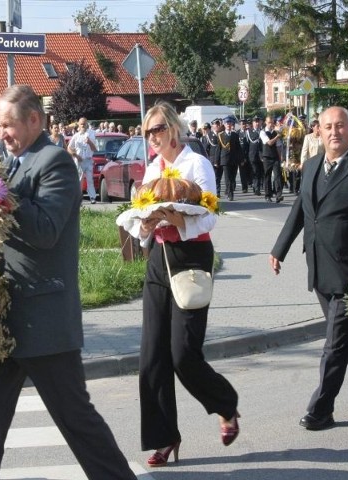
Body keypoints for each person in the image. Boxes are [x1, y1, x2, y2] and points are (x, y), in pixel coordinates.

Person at [0, 85, 136, 480]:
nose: (1, 133)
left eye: (8, 124)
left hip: (44, 322)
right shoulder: (11, 163)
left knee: (76, 421)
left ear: (34, 119)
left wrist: (2, 197)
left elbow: (46, 231)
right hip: (2, 319)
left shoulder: (54, 161)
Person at [270, 106, 348, 431]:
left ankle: (321, 410)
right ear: (319, 130)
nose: (334, 132)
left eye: (340, 126)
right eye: (327, 126)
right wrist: (279, 249)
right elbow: (301, 209)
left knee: (335, 344)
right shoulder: (312, 165)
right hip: (319, 266)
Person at [134, 102, 239, 468]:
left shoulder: (197, 165)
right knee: (152, 356)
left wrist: (178, 220)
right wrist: (145, 227)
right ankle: (164, 438)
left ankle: (225, 404)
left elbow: (210, 214)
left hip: (191, 258)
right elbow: (140, 216)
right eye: (147, 132)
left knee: (183, 354)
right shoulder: (151, 169)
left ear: (174, 128)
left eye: (158, 129)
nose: (153, 137)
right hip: (158, 262)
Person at [68, 117, 98, 204]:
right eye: (81, 124)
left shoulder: (91, 134)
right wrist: (76, 155)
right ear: (79, 125)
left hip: (88, 160)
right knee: (79, 180)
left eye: (84, 124)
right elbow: (69, 148)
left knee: (90, 179)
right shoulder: (76, 136)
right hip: (79, 160)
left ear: (87, 124)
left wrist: (89, 142)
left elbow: (95, 149)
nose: (83, 125)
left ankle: (92, 197)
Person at [260, 115, 284, 203]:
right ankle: (267, 195)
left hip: (275, 157)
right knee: (267, 176)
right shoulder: (262, 132)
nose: (271, 124)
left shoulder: (275, 132)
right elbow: (269, 143)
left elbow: (278, 146)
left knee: (278, 175)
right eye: (269, 122)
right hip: (267, 157)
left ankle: (278, 195)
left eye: (272, 122)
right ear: (266, 123)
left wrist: (280, 157)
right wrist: (277, 136)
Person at [218, 116, 242, 200]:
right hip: (225, 159)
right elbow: (219, 149)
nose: (228, 124)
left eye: (230, 123)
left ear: (232, 124)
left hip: (234, 160)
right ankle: (230, 193)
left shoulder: (235, 135)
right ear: (224, 124)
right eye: (227, 123)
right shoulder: (220, 135)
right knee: (227, 177)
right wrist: (217, 161)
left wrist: (241, 159)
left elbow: (238, 148)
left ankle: (229, 190)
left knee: (233, 177)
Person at [246, 116, 264, 195]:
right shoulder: (249, 132)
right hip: (252, 155)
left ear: (260, 122)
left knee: (260, 172)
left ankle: (257, 186)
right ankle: (256, 188)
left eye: (258, 121)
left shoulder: (263, 132)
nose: (257, 123)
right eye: (255, 122)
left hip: (261, 156)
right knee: (255, 171)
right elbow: (246, 145)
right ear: (252, 123)